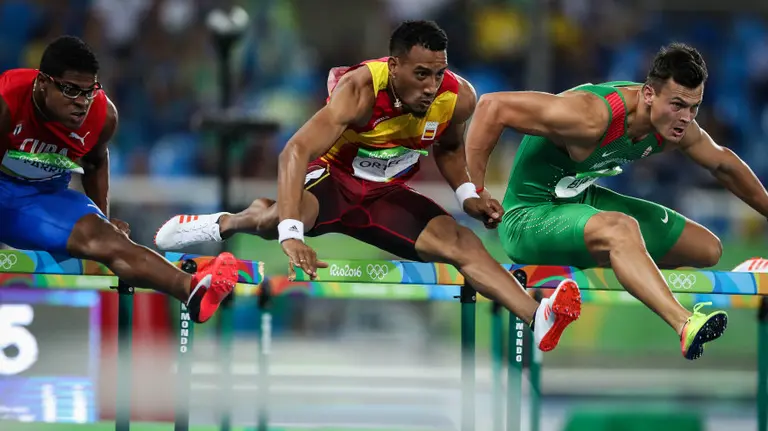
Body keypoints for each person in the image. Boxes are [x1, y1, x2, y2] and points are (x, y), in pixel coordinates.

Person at [155, 20, 582, 352]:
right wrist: (291, 237)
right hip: (330, 182)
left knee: (463, 244)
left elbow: (450, 150)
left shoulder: (458, 97)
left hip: (385, 198)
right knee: (275, 218)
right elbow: (294, 152)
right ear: (393, 66)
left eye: (438, 74)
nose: (431, 87)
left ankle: (537, 315)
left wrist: (468, 195)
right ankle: (226, 222)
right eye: (420, 74)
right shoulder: (358, 90)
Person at [462, 42, 763, 360]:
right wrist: (473, 191)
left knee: (707, 248)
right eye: (677, 104)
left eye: (694, 107)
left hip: (581, 203)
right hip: (529, 216)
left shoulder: (674, 125)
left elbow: (723, 164)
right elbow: (491, 106)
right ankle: (684, 323)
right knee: (622, 229)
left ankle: (737, 276)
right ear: (649, 94)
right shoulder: (589, 115)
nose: (686, 117)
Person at [0, 36, 237, 324]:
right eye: (70, 90)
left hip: (43, 199)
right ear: (42, 83)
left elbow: (96, 161)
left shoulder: (103, 115)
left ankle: (192, 291)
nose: (81, 103)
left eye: (89, 91)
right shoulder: (7, 100)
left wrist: (104, 217)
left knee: (105, 239)